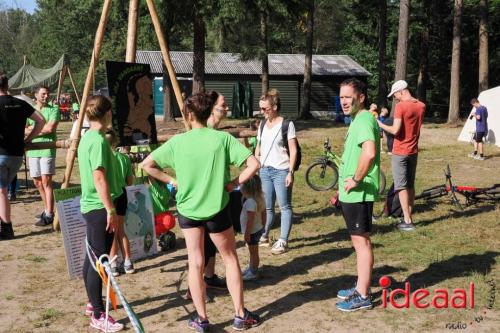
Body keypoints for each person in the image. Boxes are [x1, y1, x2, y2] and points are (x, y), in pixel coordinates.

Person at [140, 92, 261, 332]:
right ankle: (239, 315)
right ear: (207, 113)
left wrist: (172, 181)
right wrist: (234, 183)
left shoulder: (177, 142)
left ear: (189, 114)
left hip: (188, 211)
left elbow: (147, 164)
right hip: (217, 208)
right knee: (230, 258)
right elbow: (254, 164)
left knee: (195, 262)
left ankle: (202, 319)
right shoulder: (222, 139)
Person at [78, 95, 124, 332]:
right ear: (107, 114)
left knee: (92, 257)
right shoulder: (96, 141)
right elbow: (99, 177)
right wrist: (110, 209)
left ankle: (91, 302)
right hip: (98, 207)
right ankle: (98, 314)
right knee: (99, 261)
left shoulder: (88, 138)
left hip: (93, 206)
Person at [335, 78, 380, 312]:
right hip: (351, 193)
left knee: (361, 243)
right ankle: (361, 286)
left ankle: (363, 295)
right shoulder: (356, 119)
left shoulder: (363, 120)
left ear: (361, 97)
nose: (343, 101)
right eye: (341, 97)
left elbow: (369, 153)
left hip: (359, 192)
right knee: (358, 242)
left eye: (348, 97)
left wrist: (356, 179)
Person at [0, 74, 45, 240]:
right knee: (3, 190)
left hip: (1, 154)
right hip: (17, 156)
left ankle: (6, 229)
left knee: (2, 191)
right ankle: (5, 227)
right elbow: (41, 120)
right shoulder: (20, 103)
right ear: (7, 85)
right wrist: (29, 139)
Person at [378, 80, 425, 231]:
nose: (396, 98)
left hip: (400, 152)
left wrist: (379, 123)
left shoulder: (400, 106)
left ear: (402, 91)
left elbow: (395, 130)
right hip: (413, 151)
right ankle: (408, 215)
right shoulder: (421, 105)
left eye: (396, 95)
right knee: (410, 185)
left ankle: (407, 221)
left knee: (400, 186)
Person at [255, 89, 298, 255]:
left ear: (274, 106)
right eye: (261, 108)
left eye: (265, 109)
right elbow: (259, 147)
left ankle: (283, 241)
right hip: (265, 171)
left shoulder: (287, 125)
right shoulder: (262, 124)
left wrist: (290, 172)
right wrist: (255, 165)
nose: (262, 112)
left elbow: (293, 151)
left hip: (281, 171)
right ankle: (265, 236)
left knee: (285, 206)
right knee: (267, 207)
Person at [26, 85, 61, 227]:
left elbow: (50, 128)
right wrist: (41, 128)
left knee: (46, 181)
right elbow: (24, 128)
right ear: (36, 95)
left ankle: (49, 214)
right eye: (43, 94)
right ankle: (47, 209)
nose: (46, 96)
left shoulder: (54, 109)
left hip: (47, 148)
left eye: (47, 94)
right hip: (32, 149)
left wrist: (32, 131)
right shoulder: (30, 110)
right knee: (37, 182)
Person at [105, 130, 135, 276]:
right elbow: (130, 181)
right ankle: (128, 262)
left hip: (110, 195)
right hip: (123, 193)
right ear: (116, 141)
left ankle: (114, 264)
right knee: (121, 230)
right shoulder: (125, 158)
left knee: (112, 231)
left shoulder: (105, 158)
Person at [240, 175, 266, 281]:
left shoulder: (250, 201)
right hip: (257, 229)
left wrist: (247, 233)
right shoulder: (260, 198)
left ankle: (253, 272)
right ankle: (251, 268)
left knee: (253, 253)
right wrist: (263, 224)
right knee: (253, 252)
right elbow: (264, 213)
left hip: (252, 231)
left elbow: (250, 220)